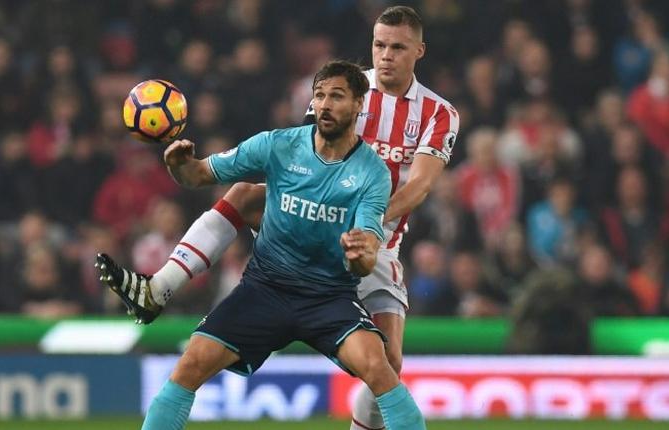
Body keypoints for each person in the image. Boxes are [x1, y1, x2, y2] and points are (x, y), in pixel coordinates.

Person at [100, 6, 458, 430]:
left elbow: (418, 187)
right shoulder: (344, 89)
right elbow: (306, 157)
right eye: (379, 45)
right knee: (246, 194)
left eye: (398, 48)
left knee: (388, 363)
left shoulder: (437, 114)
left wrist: (364, 222)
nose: (386, 56)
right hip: (300, 243)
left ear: (419, 50)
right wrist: (183, 166)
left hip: (373, 245)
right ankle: (158, 288)